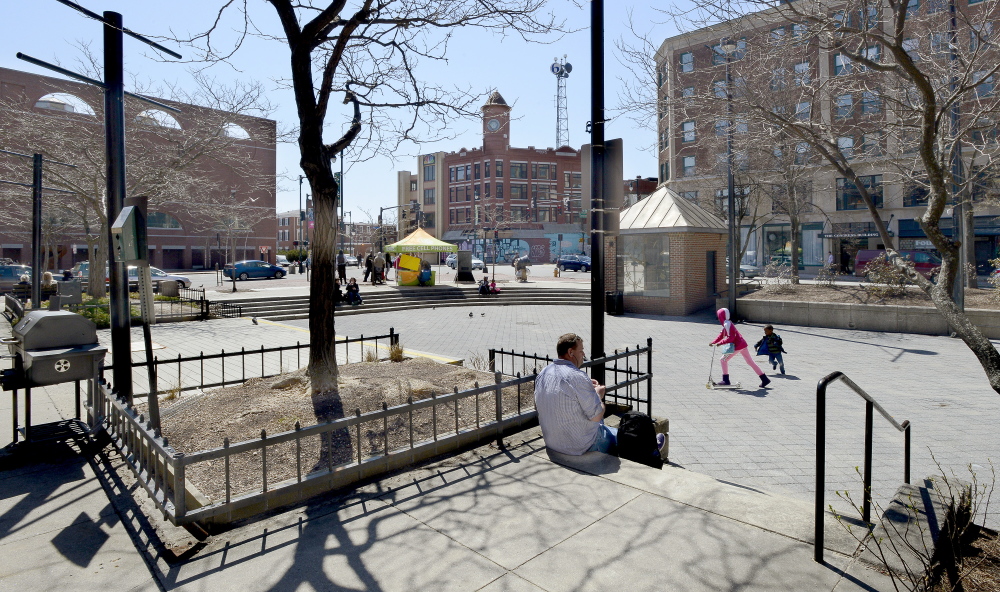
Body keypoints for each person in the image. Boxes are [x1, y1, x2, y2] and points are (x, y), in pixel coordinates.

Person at [534, 333, 616, 455]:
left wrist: (586, 385)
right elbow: (596, 416)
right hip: (581, 446)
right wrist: (598, 395)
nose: (583, 354)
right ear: (571, 352)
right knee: (625, 437)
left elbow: (537, 406)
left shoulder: (544, 372)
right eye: (581, 350)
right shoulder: (577, 377)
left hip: (552, 443)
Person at [709, 308, 770, 388]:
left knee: (723, 360)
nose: (718, 317)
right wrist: (713, 342)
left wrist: (720, 343)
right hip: (742, 344)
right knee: (750, 362)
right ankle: (764, 379)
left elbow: (730, 338)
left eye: (719, 315)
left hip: (738, 345)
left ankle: (726, 380)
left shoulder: (727, 324)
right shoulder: (727, 324)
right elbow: (721, 335)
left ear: (721, 316)